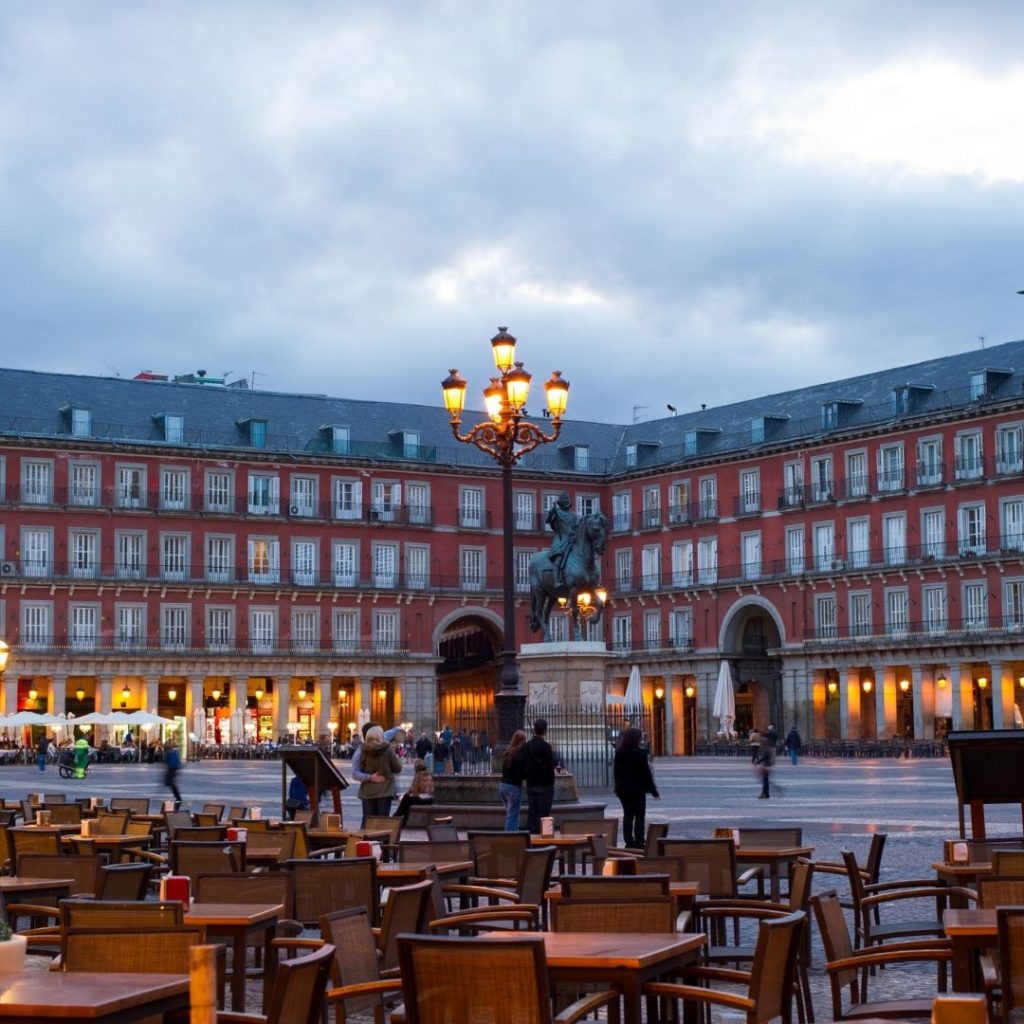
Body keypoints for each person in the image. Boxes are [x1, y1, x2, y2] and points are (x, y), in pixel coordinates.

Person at [613, 727, 659, 849]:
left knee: (628, 815)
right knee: (639, 816)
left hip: (624, 790)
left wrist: (617, 787)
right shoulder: (640, 754)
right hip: (638, 789)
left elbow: (616, 773)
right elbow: (646, 773)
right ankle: (639, 841)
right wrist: (653, 790)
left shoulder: (619, 753)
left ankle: (629, 841)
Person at [355, 724, 402, 825]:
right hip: (385, 790)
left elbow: (357, 771)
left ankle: (365, 835)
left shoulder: (362, 751)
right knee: (382, 821)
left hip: (368, 790)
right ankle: (382, 836)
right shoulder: (387, 750)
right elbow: (397, 768)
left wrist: (369, 777)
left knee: (367, 821)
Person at [520, 718, 556, 834]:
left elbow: (523, 764)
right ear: (545, 730)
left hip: (531, 784)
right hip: (544, 785)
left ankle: (531, 837)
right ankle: (543, 837)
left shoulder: (526, 746)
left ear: (534, 729)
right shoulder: (546, 747)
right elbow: (550, 768)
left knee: (532, 813)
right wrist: (551, 783)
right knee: (544, 815)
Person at [546, 491, 580, 586]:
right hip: (561, 540)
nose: (566, 502)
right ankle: (557, 581)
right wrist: (552, 513)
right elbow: (548, 521)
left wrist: (575, 533)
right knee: (558, 559)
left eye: (567, 499)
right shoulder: (558, 513)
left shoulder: (573, 515)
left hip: (573, 539)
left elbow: (577, 526)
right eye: (564, 500)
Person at [499, 729, 527, 832]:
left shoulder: (508, 752)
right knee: (512, 816)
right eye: (524, 741)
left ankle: (515, 834)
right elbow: (519, 774)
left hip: (503, 785)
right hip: (513, 787)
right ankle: (510, 837)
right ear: (521, 741)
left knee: (511, 814)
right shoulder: (519, 754)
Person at [393, 758, 434, 825]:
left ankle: (396, 818)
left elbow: (414, 791)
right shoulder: (428, 774)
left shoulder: (418, 775)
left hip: (421, 800)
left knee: (406, 800)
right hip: (428, 801)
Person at [757, 724, 778, 799]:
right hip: (766, 764)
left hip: (766, 764)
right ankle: (766, 793)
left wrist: (759, 761)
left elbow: (766, 755)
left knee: (765, 780)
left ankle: (765, 793)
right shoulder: (767, 742)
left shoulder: (765, 743)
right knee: (765, 779)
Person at [164, 738, 183, 806]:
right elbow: (176, 761)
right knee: (170, 783)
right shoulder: (172, 752)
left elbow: (167, 761)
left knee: (171, 783)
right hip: (172, 768)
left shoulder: (171, 753)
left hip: (172, 768)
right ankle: (178, 797)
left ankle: (178, 797)